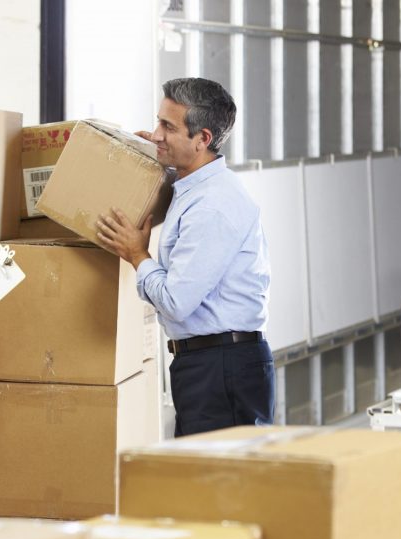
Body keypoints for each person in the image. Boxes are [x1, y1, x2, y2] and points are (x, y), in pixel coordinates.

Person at [96, 77, 274, 436]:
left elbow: (176, 302)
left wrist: (137, 254)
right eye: (158, 121)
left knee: (217, 487)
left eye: (168, 127)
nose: (156, 133)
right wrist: (144, 154)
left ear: (203, 139)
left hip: (221, 369)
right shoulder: (193, 184)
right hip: (208, 363)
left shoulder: (212, 206)